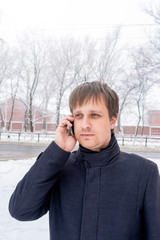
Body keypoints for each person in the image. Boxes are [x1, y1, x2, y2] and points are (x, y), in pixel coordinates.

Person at [9, 81, 160, 240]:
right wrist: (56, 151)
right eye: (79, 115)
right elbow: (20, 210)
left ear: (112, 120)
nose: (85, 125)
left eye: (94, 115)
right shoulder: (58, 166)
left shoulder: (143, 171)